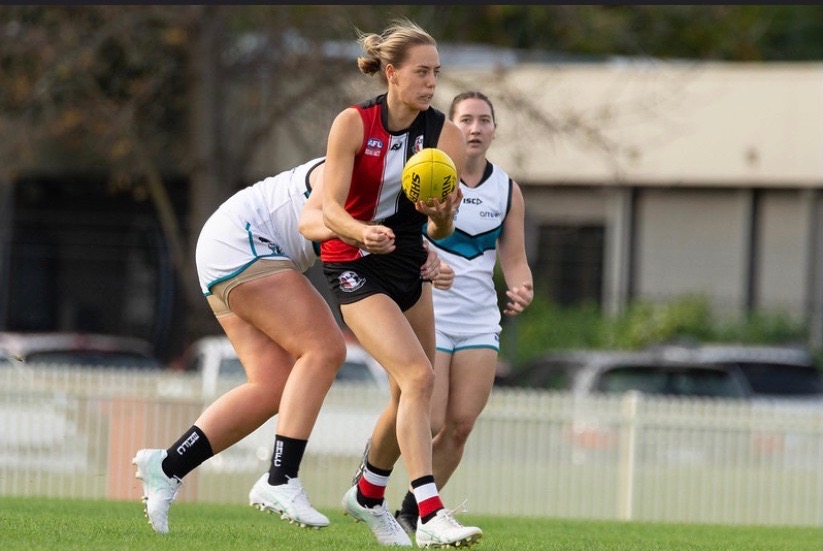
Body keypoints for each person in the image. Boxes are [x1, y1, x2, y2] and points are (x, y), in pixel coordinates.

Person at [131, 157, 447, 534]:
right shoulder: (351, 168)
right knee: (326, 349)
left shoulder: (384, 190)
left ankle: (167, 467)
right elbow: (317, 225)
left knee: (272, 385)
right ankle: (280, 478)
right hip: (243, 243)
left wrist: (425, 251)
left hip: (225, 246)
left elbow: (393, 234)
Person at [316, 18, 482, 548]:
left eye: (437, 72)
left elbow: (443, 227)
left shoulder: (445, 137)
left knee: (409, 394)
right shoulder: (353, 124)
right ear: (390, 72)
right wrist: (362, 232)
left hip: (408, 264)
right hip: (352, 262)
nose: (432, 82)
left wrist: (440, 219)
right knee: (419, 378)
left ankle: (366, 493)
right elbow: (328, 209)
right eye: (421, 72)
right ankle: (429, 513)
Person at [393, 91, 534, 534]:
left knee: (459, 426)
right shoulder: (425, 176)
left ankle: (413, 512)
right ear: (450, 128)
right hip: (428, 311)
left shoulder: (507, 189)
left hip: (478, 320)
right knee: (429, 418)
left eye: (484, 120)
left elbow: (514, 258)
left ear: (494, 130)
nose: (475, 128)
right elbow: (398, 239)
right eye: (466, 120)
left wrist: (521, 286)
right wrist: (428, 266)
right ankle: (374, 481)